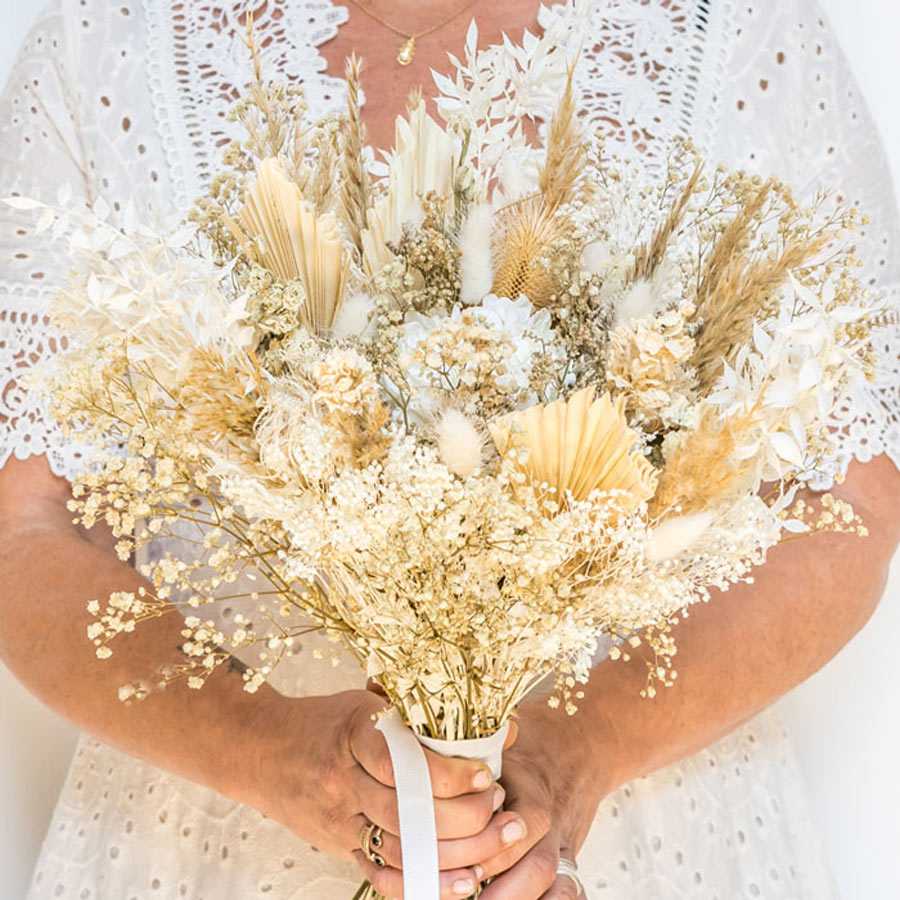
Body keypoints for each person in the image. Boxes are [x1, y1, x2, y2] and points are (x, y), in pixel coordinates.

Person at [1, 1, 898, 898]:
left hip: (650, 828)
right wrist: (268, 748)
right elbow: (25, 526)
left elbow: (850, 504)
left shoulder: (736, 30)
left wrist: (578, 754)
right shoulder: (104, 38)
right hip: (202, 834)